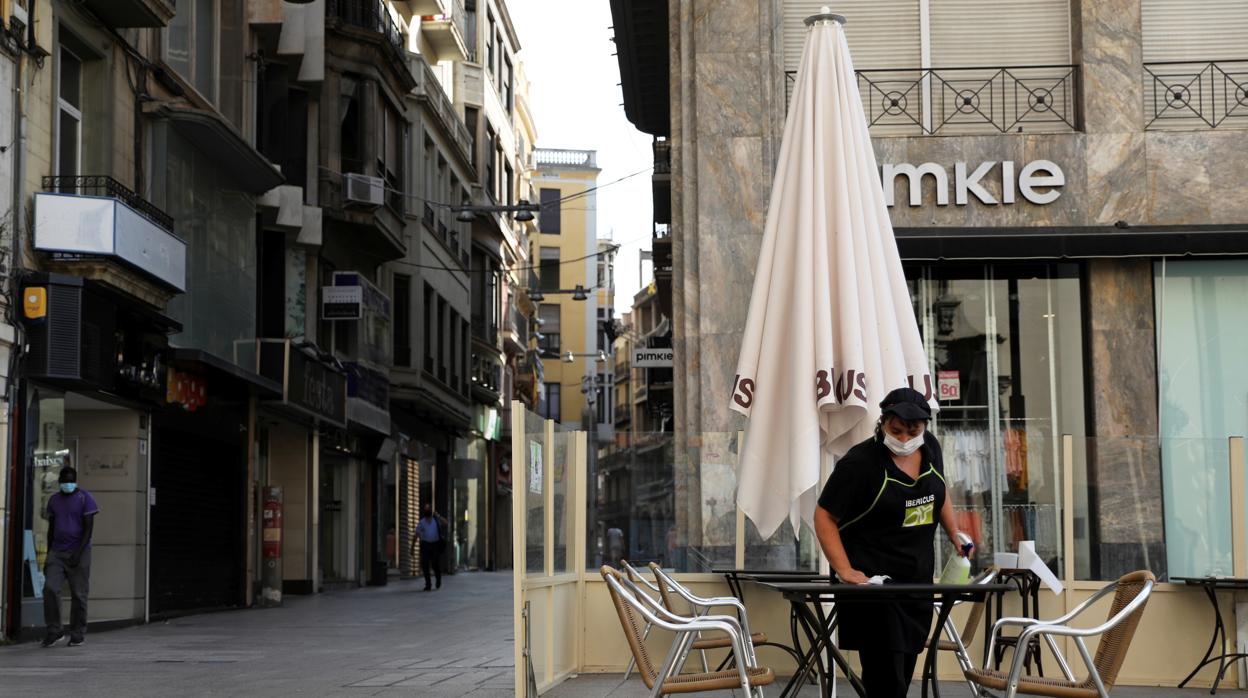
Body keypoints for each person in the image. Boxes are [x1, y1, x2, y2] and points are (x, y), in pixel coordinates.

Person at [813, 387, 971, 697]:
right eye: (895, 430)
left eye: (913, 431)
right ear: (883, 422)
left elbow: (940, 492)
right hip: (873, 586)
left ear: (925, 427)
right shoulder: (859, 464)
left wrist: (954, 533)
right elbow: (824, 517)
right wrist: (845, 570)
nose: (903, 438)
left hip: (916, 583)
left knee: (902, 673)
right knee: (887, 683)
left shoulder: (931, 449)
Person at [42, 466, 99, 648]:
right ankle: (55, 630)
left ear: (76, 481)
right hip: (57, 552)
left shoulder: (85, 499)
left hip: (79, 552)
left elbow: (88, 528)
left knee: (79, 594)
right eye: (65, 481)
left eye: (71, 480)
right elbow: (51, 528)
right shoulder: (54, 500)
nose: (68, 484)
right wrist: (49, 553)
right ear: (59, 482)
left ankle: (77, 632)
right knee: (50, 588)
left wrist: (78, 552)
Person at [412, 504, 446, 591]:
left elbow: (446, 523)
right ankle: (428, 584)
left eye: (428, 509)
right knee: (425, 564)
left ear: (431, 511)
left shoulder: (436, 520)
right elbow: (416, 535)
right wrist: (412, 547)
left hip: (435, 545)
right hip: (425, 545)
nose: (427, 510)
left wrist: (438, 515)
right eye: (425, 509)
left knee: (435, 564)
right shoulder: (422, 522)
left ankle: (438, 578)